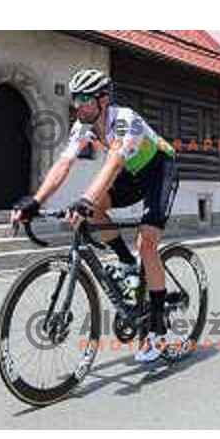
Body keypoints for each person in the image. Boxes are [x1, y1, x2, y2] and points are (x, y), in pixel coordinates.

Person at [11, 69, 178, 364]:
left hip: (159, 170)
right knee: (97, 208)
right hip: (132, 174)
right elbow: (64, 164)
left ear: (103, 100)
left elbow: (113, 164)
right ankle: (127, 264)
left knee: (147, 242)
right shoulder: (83, 125)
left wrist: (85, 200)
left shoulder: (126, 120)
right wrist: (35, 201)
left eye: (85, 100)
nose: (78, 106)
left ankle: (158, 331)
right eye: (76, 99)